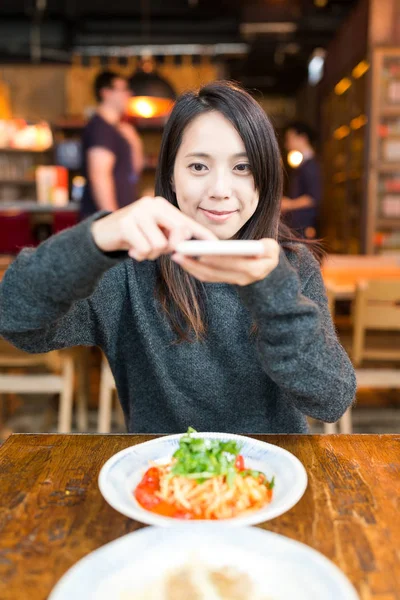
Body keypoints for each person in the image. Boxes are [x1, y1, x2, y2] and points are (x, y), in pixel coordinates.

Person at [0, 81, 355, 434]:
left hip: (272, 480)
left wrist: (272, 290)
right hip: (160, 480)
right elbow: (16, 319)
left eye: (242, 167)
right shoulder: (128, 270)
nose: (219, 191)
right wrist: (98, 236)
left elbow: (331, 400)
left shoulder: (292, 266)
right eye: (198, 167)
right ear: (170, 175)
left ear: (264, 177)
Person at [80, 70, 144, 218]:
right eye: (123, 90)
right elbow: (99, 176)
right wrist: (112, 219)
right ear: (106, 93)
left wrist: (134, 141)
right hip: (103, 221)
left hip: (119, 217)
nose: (128, 95)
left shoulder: (119, 129)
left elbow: (135, 172)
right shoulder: (100, 128)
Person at [281, 121, 321, 239]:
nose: (287, 144)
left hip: (305, 225)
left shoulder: (311, 165)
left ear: (302, 138)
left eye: (290, 138)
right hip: (299, 225)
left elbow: (313, 198)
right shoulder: (303, 164)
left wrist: (289, 204)